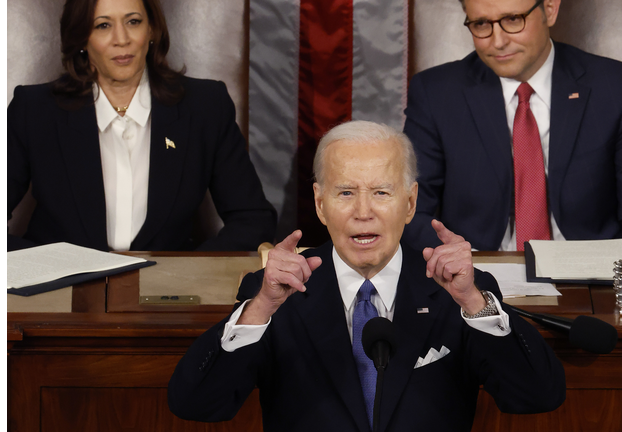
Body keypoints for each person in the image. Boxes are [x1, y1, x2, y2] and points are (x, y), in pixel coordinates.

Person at [168, 121, 565, 432]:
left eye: (381, 192)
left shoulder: (457, 289)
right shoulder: (273, 294)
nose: (363, 212)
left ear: (409, 203)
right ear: (320, 205)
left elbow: (538, 396)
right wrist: (261, 308)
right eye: (345, 193)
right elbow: (196, 405)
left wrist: (474, 303)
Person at [7, 0, 276, 252]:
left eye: (133, 21)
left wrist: (187, 273)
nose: (121, 39)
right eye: (103, 25)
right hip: (60, 291)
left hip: (166, 295)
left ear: (151, 29)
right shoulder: (34, 110)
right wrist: (42, 267)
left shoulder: (205, 106)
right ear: (82, 38)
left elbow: (253, 219)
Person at [402, 0, 622, 254]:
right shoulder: (436, 94)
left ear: (549, 9)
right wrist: (454, 262)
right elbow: (410, 210)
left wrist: (619, 282)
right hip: (475, 272)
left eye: (513, 19)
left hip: (590, 275)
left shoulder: (615, 88)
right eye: (481, 24)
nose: (498, 41)